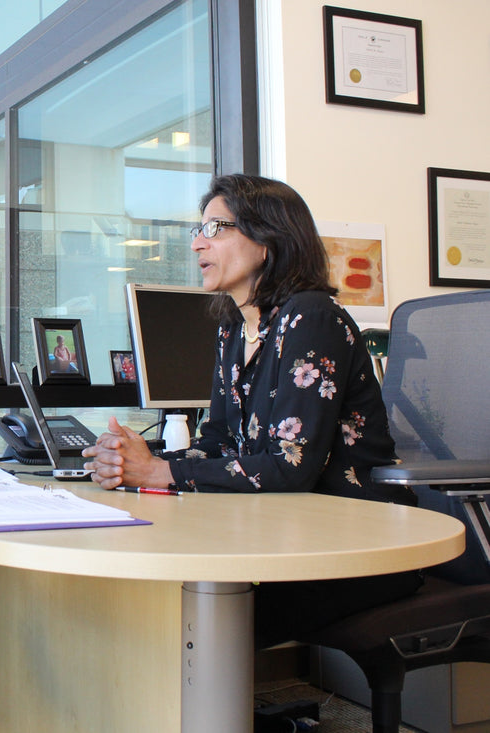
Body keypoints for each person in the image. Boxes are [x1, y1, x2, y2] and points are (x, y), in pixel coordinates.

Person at [83, 174, 422, 648]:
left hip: (358, 545)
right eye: (197, 231)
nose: (198, 243)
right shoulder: (233, 329)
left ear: (268, 240)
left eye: (216, 229)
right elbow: (217, 441)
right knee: (152, 599)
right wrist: (135, 463)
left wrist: (161, 472)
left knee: (186, 619)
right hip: (289, 534)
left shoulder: (312, 318)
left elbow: (291, 465)